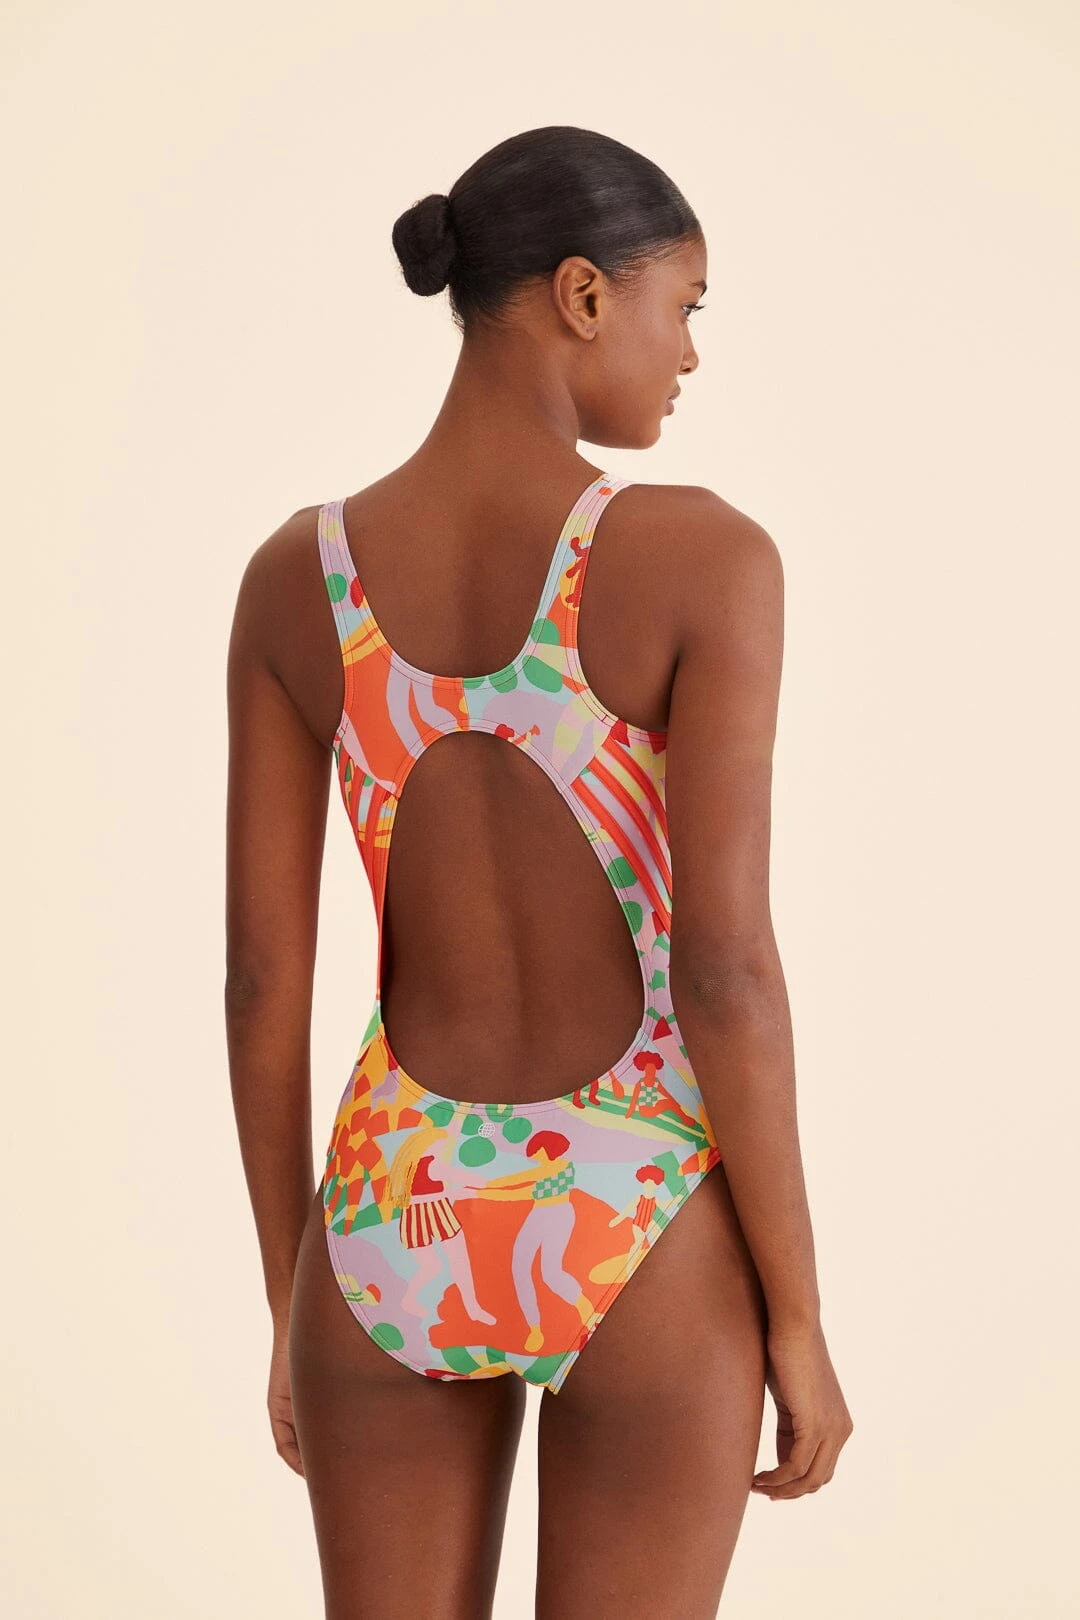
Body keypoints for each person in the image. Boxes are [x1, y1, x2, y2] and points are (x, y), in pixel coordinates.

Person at [224, 123, 853, 1618]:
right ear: (582, 295)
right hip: (634, 1204)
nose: (689, 354)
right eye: (682, 306)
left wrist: (295, 1290)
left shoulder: (297, 579)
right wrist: (801, 1317)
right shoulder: (704, 557)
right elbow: (727, 970)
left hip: (392, 1209)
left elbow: (258, 983)